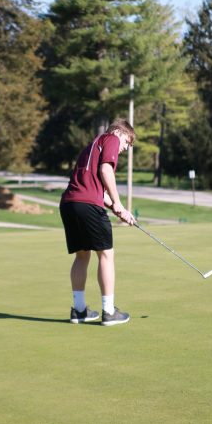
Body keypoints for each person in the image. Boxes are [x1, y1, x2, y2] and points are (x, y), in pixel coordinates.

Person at [60, 118, 136, 326]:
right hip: (87, 205)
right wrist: (119, 203)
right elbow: (106, 171)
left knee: (82, 256)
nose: (125, 149)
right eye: (128, 143)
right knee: (106, 254)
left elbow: (96, 190)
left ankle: (79, 310)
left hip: (69, 204)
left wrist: (117, 209)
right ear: (121, 133)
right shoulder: (112, 138)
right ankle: (109, 312)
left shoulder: (91, 147)